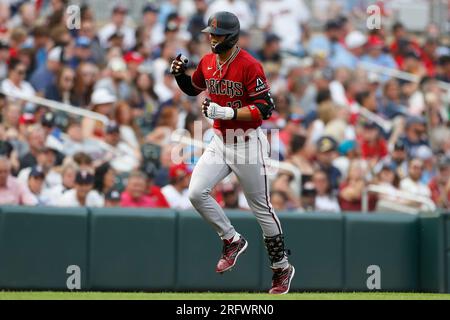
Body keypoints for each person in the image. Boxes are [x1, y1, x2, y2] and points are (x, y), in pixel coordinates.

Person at [170, 11, 294, 294]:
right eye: (210, 34)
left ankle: (281, 268)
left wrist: (227, 111)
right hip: (220, 141)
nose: (212, 39)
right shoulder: (208, 61)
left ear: (232, 37)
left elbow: (265, 108)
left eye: (217, 35)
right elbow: (193, 87)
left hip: (248, 142)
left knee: (261, 209)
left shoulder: (249, 64)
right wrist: (179, 76)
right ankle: (232, 239)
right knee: (195, 192)